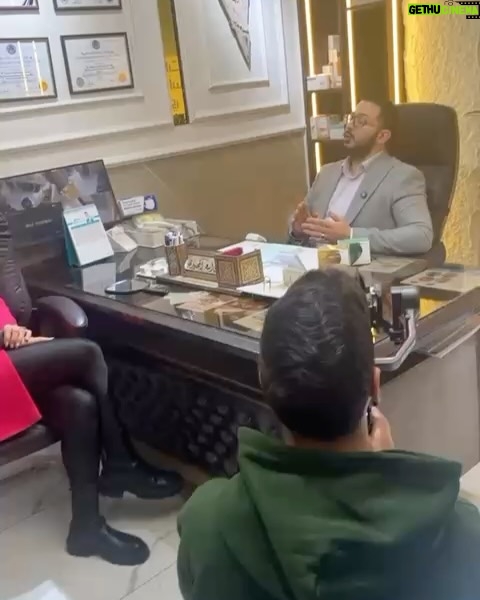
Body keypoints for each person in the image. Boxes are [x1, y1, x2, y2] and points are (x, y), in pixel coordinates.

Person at [177, 268, 480, 600]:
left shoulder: (208, 523)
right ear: (374, 385)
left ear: (265, 384)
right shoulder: (459, 533)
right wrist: (383, 476)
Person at [0, 295, 183, 566]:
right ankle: (121, 463)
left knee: (79, 404)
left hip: (9, 358)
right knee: (88, 353)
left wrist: (12, 331)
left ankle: (86, 528)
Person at [289, 99, 433, 255]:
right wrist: (298, 232)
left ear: (382, 136)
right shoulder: (326, 173)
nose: (350, 126)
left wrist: (351, 236)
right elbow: (299, 237)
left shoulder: (402, 177)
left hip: (355, 266)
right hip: (309, 263)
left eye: (361, 122)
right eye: (351, 118)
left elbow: (421, 236)